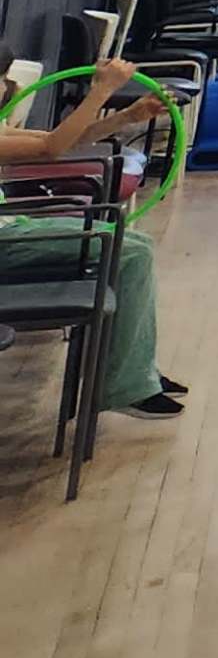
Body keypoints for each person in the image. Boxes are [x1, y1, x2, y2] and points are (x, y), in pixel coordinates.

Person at [0, 60, 186, 420]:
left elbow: (63, 138)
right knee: (129, 251)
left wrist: (126, 117)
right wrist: (102, 90)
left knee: (134, 245)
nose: (7, 86)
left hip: (11, 229)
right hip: (5, 242)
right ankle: (126, 385)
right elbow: (50, 149)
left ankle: (133, 374)